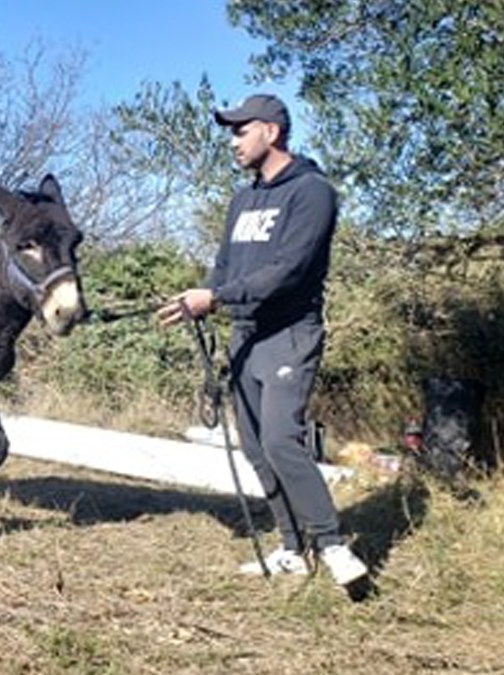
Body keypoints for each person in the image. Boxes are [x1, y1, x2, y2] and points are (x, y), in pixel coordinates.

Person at [157, 94, 368, 587]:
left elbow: (288, 272)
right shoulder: (242, 199)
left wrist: (216, 296)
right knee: (255, 448)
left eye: (240, 130)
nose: (232, 141)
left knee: (281, 439)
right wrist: (201, 299)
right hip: (244, 335)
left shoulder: (312, 192)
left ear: (270, 132)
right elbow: (225, 267)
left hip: (289, 334)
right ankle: (293, 548)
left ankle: (333, 545)